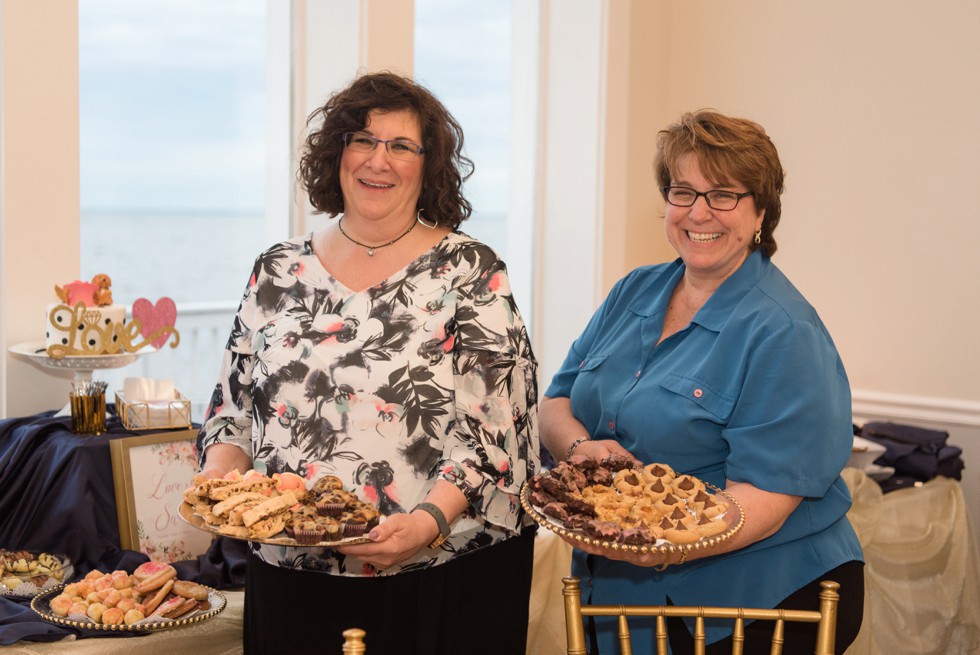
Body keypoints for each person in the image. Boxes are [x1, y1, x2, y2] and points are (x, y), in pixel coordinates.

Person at [197, 71, 539, 655]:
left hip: (437, 574)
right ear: (337, 154)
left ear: (427, 166)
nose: (378, 160)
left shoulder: (471, 270)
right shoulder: (277, 270)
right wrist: (219, 486)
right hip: (290, 574)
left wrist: (428, 522)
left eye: (401, 145)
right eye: (362, 140)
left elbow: (497, 434)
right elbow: (232, 413)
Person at [539, 110, 864, 654]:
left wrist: (669, 540)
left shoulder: (784, 330)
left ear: (761, 211)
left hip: (754, 606)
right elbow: (556, 403)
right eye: (683, 192)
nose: (698, 212)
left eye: (723, 195)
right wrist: (583, 449)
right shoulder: (633, 291)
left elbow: (768, 495)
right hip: (623, 590)